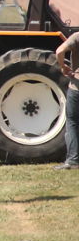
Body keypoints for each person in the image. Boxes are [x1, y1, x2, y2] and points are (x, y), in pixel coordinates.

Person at [56, 33, 79, 170]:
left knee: (72, 122)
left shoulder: (77, 37)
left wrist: (63, 66)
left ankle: (73, 160)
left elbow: (59, 51)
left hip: (77, 87)